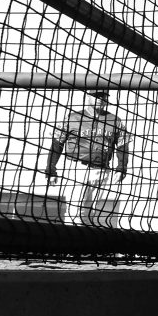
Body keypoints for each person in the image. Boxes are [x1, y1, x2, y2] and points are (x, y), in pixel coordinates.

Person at [43, 89, 130, 226]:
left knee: (91, 214)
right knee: (75, 214)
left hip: (102, 171)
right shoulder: (72, 117)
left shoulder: (115, 121)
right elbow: (57, 143)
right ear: (88, 96)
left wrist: (121, 167)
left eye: (103, 96)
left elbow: (122, 146)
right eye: (96, 95)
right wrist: (50, 168)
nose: (100, 99)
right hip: (78, 168)